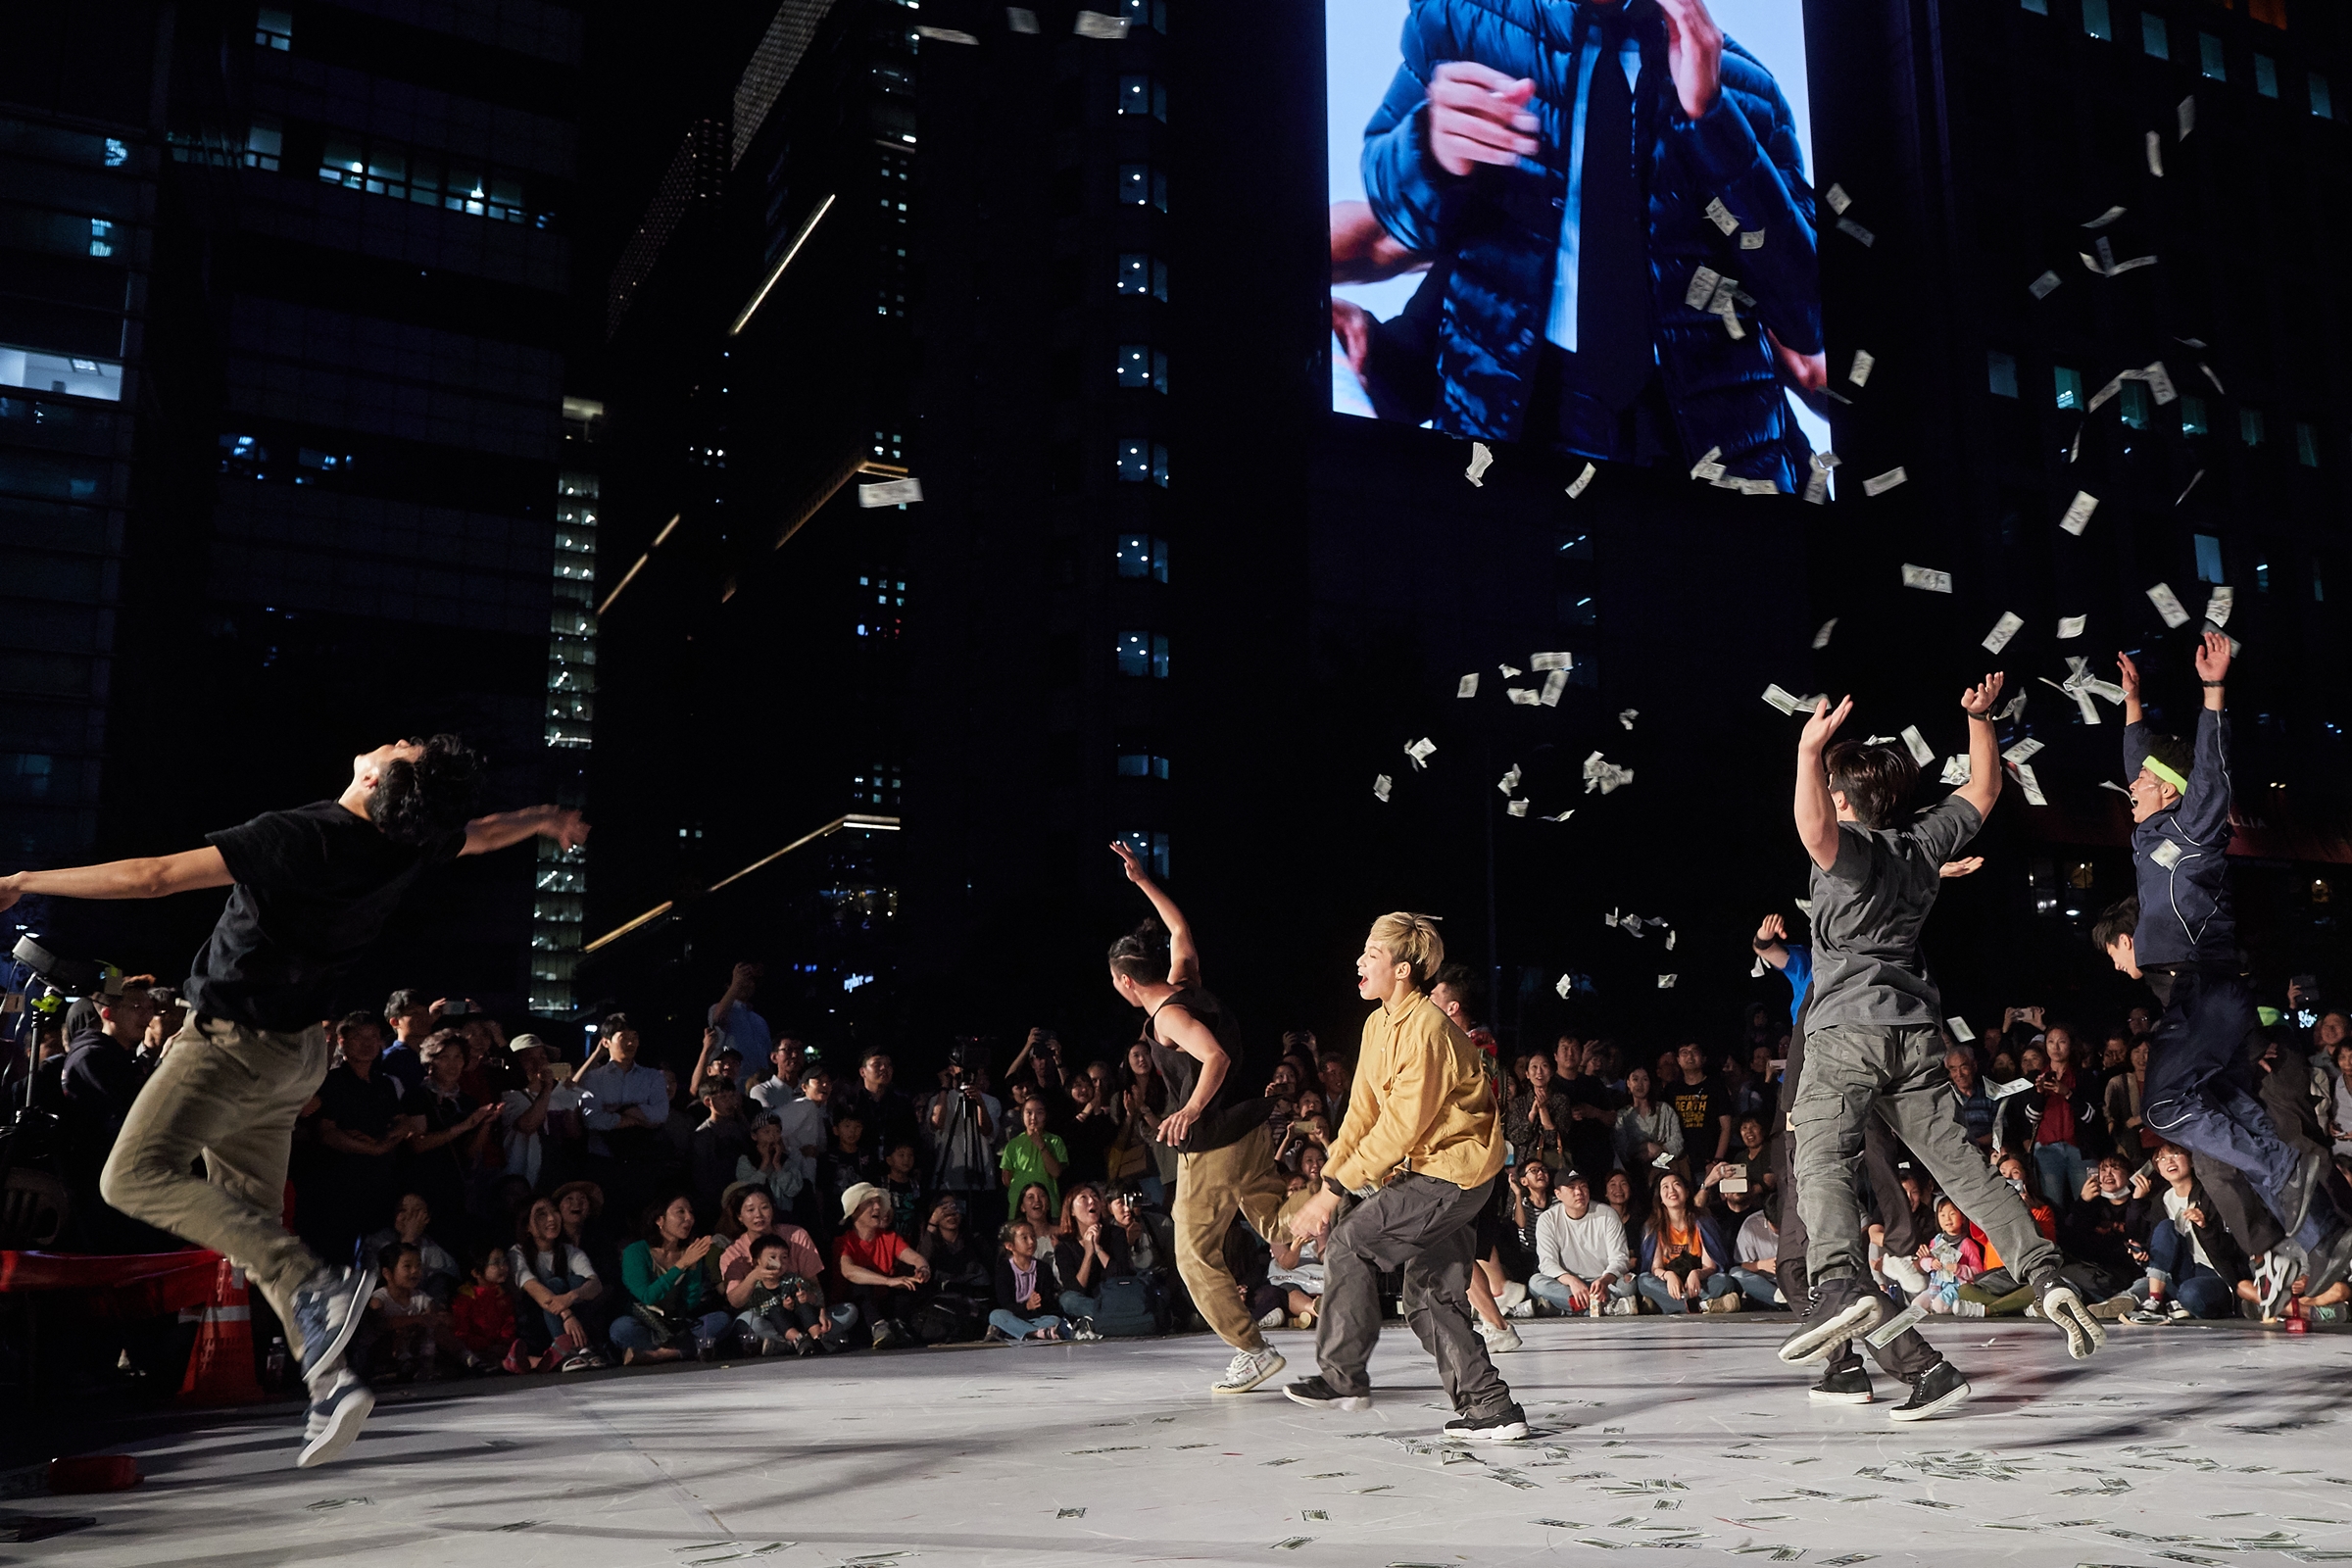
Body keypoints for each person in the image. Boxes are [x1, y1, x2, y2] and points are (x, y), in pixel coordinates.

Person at [0, 737, 584, 1467]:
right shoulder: (404, 841)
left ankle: (319, 1287)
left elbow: (154, 878)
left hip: (230, 1043)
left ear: (374, 779)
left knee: (131, 1177)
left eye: (402, 748)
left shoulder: (300, 835)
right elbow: (484, 833)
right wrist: (542, 818)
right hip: (298, 1055)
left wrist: (25, 880)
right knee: (249, 1223)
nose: (396, 740)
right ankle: (331, 1382)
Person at [1779, 675, 2103, 1418]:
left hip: (1846, 1033)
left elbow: (1812, 828)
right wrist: (1980, 719)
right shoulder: (1921, 846)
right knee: (1961, 1167)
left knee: (1820, 1158)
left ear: (1844, 800)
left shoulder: (1848, 851)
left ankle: (1839, 1281)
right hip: (1914, 1036)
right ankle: (2045, 1272)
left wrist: (1807, 752)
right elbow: (1985, 789)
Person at [1345, 0, 1821, 491]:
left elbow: (1807, 315)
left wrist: (1715, 118)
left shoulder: (1748, 88)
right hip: (1511, 429)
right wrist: (1429, 148)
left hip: (1710, 452)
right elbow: (1394, 217)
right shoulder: (1460, 22)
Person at [2104, 635, 2351, 1304]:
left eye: (2143, 782)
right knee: (2236, 1121)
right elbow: (2138, 758)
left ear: (2171, 788)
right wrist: (2132, 702)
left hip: (2208, 990)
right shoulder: (2148, 837)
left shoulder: (2196, 829)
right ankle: (2327, 1238)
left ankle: (2286, 1172)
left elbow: (2210, 771)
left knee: (2164, 1105)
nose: (2131, 787)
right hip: (2193, 1000)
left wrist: (2213, 691)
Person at [1281, 912, 1527, 1442]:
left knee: (1350, 1242)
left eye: (1372, 953)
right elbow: (1360, 1116)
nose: (1359, 961)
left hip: (1454, 1173)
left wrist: (1332, 1193)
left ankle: (1343, 1377)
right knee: (1430, 1295)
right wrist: (1330, 1180)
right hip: (1435, 1172)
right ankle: (1491, 1407)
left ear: (1402, 969)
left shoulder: (1430, 1028)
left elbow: (1399, 1127)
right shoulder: (1377, 1025)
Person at [1106, 840, 1288, 1396]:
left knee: (1192, 1254)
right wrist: (1142, 881)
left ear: (1126, 981)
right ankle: (1347, 1225)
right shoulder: (1186, 981)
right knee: (1281, 1224)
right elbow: (1179, 927)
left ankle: (1252, 1350)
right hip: (1248, 1130)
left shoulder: (1168, 1019)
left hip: (1213, 1144)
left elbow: (1216, 1057)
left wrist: (1188, 1108)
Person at [611, 1196, 731, 1363]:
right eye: (680, 1212)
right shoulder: (636, 1251)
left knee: (721, 1320)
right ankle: (688, 1350)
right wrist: (682, 1265)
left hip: (678, 1325)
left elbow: (690, 1303)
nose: (689, 1218)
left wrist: (693, 1269)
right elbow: (647, 1296)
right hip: (647, 1323)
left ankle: (660, 1355)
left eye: (690, 1212)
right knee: (621, 1328)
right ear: (659, 1220)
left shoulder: (689, 1252)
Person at [510, 1196, 606, 1370]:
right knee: (554, 1284)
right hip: (537, 1324)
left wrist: (572, 1296)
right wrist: (567, 1314)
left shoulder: (569, 1251)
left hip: (574, 1320)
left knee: (578, 1281)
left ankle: (581, 1347)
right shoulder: (518, 1253)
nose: (551, 1219)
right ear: (527, 1227)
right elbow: (535, 1290)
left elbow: (595, 1284)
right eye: (541, 1215)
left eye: (554, 1211)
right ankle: (565, 1350)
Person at [833, 1181, 931, 1348]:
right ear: (855, 1211)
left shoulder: (889, 1237)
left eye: (879, 1202)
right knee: (862, 1282)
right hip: (853, 1309)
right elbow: (849, 1271)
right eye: (870, 1203)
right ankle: (877, 1326)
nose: (878, 1207)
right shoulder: (844, 1242)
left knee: (907, 1279)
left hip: (882, 1304)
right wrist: (888, 1281)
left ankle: (897, 1324)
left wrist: (923, 1269)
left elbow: (915, 1258)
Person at [1531, 1170, 1634, 1315]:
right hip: (1568, 1285)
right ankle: (1605, 1308)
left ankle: (1567, 1308)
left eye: (1583, 1186)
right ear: (1558, 1194)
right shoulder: (1548, 1219)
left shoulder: (1607, 1214)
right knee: (1536, 1283)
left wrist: (1604, 1280)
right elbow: (1547, 1263)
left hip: (1603, 1282)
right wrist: (1572, 1281)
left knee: (1628, 1284)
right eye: (1572, 1187)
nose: (1579, 1192)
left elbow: (1620, 1258)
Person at [1638, 1171, 1739, 1313]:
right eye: (1665, 1187)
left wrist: (1696, 1274)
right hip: (1670, 1284)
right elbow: (1655, 1268)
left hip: (1698, 1282)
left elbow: (1710, 1267)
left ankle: (1666, 1304)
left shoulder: (1703, 1221)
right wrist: (1669, 1276)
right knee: (1644, 1281)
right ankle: (1703, 1305)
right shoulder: (1653, 1226)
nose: (1671, 1190)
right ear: (1660, 1198)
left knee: (1724, 1281)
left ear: (1686, 1192)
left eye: (1676, 1185)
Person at [1053, 1185, 1130, 1335]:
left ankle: (1105, 1320)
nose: (1091, 1201)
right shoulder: (1064, 1247)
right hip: (1088, 1302)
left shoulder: (1116, 1234)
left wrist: (1097, 1248)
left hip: (1114, 1295)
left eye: (1095, 1196)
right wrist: (1089, 1253)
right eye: (1084, 1197)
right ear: (1072, 1211)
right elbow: (1076, 1290)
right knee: (1067, 1300)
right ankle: (1117, 1319)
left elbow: (1121, 1276)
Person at [989, 1219, 1067, 1342]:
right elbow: (1005, 1304)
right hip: (1014, 1316)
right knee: (996, 1315)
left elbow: (1049, 1302)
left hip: (1037, 1318)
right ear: (1010, 1246)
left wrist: (1038, 1304)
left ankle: (1018, 1332)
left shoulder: (1043, 1268)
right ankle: (1036, 1333)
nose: (1031, 1241)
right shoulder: (1004, 1270)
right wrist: (1026, 1306)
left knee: (1054, 1320)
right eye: (1024, 1238)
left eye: (1033, 1236)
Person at [708, 961, 773, 1094]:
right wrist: (736, 983)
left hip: (759, 1089)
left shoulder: (760, 1020)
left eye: (751, 981)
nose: (747, 984)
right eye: (742, 981)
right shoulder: (719, 1009)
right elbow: (718, 1018)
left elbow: (768, 1056)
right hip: (730, 1089)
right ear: (729, 986)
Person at [1613, 1065, 1683, 1173]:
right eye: (1635, 1079)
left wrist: (1659, 1150)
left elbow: (1678, 1141)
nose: (1640, 1084)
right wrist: (1644, 1148)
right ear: (1628, 1083)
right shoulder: (1622, 1115)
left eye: (1645, 1079)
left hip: (1665, 1170)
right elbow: (1621, 1148)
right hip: (1634, 1171)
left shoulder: (1665, 1109)